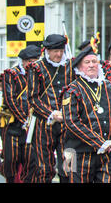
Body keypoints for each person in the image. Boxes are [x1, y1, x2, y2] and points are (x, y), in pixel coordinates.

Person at [61, 44, 111, 183]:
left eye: (95, 62)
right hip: (77, 152)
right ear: (79, 67)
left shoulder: (109, 86)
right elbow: (71, 122)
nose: (92, 65)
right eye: (87, 62)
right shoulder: (72, 90)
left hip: (106, 152)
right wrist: (97, 141)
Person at [26, 34, 75, 183]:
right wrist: (51, 113)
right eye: (55, 51)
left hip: (68, 125)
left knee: (69, 167)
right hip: (43, 125)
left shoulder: (71, 66)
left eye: (61, 50)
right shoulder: (36, 68)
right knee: (44, 168)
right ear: (47, 50)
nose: (58, 54)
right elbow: (33, 98)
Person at [0, 45, 41, 183]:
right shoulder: (10, 74)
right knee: (11, 159)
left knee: (30, 160)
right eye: (29, 61)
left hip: (33, 124)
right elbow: (10, 99)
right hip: (13, 124)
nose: (32, 64)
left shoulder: (40, 75)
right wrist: (24, 119)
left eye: (35, 61)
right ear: (22, 61)